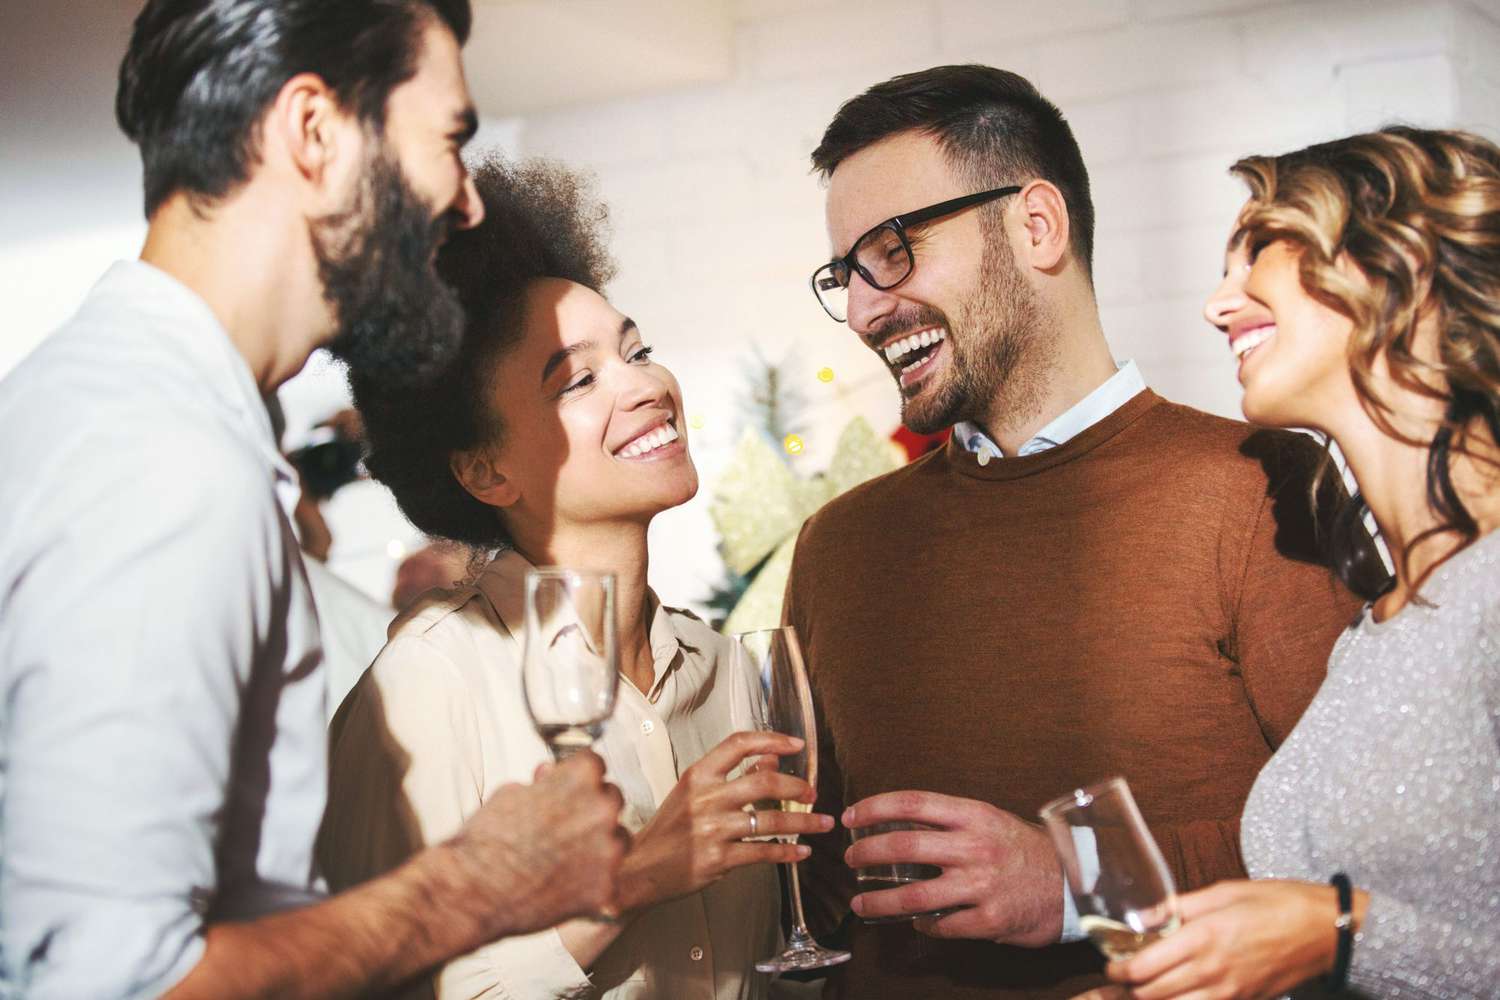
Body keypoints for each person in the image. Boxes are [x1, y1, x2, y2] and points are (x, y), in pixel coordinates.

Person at [0, 3, 628, 997]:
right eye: (449, 142)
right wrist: (478, 886)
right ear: (313, 130)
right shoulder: (159, 455)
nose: (468, 204)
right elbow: (123, 982)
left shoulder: (138, 412)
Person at [783, 64, 1374, 999]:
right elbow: (813, 898)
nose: (862, 310)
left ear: (1037, 226)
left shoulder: (1263, 487)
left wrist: (1078, 884)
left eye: (893, 251)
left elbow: (1368, 853)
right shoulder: (837, 546)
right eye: (844, 275)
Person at [317, 153, 832, 999]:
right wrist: (632, 880)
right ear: (485, 471)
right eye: (580, 380)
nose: (648, 386)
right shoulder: (429, 685)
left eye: (639, 351)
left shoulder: (728, 672)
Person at [1106, 127, 1500, 1000]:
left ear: (1397, 263)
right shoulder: (1371, 631)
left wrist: (1338, 931)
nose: (1217, 305)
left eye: (1255, 254)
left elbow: (1345, 927)